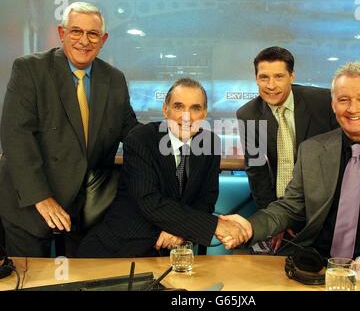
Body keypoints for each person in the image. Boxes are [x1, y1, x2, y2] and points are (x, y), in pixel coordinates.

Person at [222, 61, 360, 279]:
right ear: (333, 104)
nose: (353, 108)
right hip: (318, 260)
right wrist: (249, 227)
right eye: (344, 100)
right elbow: (290, 206)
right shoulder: (312, 150)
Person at [0, 2, 138, 257]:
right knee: (31, 281)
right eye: (76, 31)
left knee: (80, 280)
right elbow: (16, 137)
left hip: (83, 208)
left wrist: (171, 138)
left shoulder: (114, 79)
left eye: (92, 34)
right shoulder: (30, 69)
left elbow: (132, 133)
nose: (84, 41)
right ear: (62, 34)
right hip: (28, 204)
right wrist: (41, 198)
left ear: (103, 39)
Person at [77, 78, 248, 257]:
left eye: (195, 108)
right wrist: (216, 226)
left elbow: (206, 199)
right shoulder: (140, 139)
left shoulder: (211, 143)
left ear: (204, 114)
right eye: (178, 107)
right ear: (165, 110)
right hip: (121, 247)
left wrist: (179, 231)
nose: (186, 116)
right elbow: (149, 201)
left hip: (176, 252)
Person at [236, 46, 338, 250]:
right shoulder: (248, 114)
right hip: (283, 206)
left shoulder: (323, 101)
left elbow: (353, 129)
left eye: (279, 77)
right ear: (256, 78)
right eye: (264, 77)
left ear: (292, 76)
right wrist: (276, 218)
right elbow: (257, 171)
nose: (271, 85)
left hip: (325, 206)